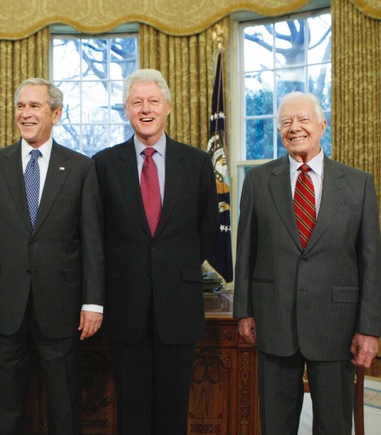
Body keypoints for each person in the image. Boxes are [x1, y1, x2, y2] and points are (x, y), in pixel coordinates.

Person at [0, 77, 105, 435]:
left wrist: (93, 303)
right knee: (7, 409)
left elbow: (91, 241)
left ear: (56, 113)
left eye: (34, 106)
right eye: (20, 106)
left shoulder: (81, 168)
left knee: (64, 406)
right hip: (2, 307)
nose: (25, 114)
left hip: (62, 307)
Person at [233, 91, 381, 434]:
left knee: (334, 425)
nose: (294, 128)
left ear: (322, 125)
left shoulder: (358, 185)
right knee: (275, 425)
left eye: (303, 120)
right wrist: (244, 310)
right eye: (286, 122)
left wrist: (369, 327)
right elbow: (247, 250)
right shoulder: (258, 181)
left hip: (337, 327)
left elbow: (370, 260)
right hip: (274, 323)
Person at [92, 69, 219, 435]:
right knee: (130, 411)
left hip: (178, 305)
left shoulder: (195, 163)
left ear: (167, 107)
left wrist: (171, 268)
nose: (145, 109)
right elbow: (96, 232)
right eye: (137, 102)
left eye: (152, 102)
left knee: (173, 411)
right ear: (126, 110)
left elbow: (208, 229)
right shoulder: (103, 165)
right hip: (125, 306)